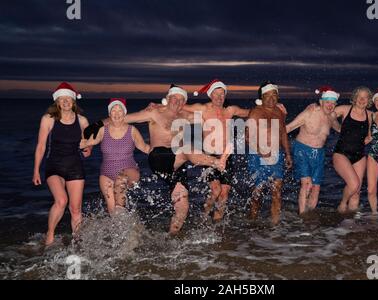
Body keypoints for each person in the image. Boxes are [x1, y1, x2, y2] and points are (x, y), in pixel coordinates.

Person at [84, 85, 231, 235]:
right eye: (175, 98)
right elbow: (120, 118)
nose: (178, 102)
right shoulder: (154, 113)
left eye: (182, 100)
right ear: (168, 99)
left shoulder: (186, 116)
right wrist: (97, 124)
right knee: (187, 148)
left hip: (177, 163)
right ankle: (216, 162)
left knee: (182, 207)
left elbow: (210, 114)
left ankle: (171, 239)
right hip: (159, 157)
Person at [181, 79, 250, 222]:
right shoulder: (203, 108)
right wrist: (157, 106)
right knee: (216, 191)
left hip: (226, 156)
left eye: (222, 94)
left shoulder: (230, 110)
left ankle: (217, 223)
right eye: (216, 94)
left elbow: (250, 112)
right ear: (210, 95)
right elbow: (178, 107)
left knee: (224, 194)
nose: (219, 97)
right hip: (210, 156)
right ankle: (204, 217)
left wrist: (274, 108)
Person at [32, 82, 91, 246]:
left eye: (68, 99)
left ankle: (77, 241)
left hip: (75, 166)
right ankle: (50, 235)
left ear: (73, 101)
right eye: (62, 99)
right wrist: (36, 170)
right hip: (54, 166)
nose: (65, 102)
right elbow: (41, 146)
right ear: (57, 102)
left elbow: (89, 144)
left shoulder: (82, 121)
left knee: (76, 209)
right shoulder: (48, 119)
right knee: (61, 201)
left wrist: (87, 148)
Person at [80, 98, 151, 214]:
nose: (117, 114)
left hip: (129, 172)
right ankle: (122, 229)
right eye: (113, 110)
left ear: (124, 113)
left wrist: (161, 153)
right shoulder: (103, 130)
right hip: (106, 173)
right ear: (109, 114)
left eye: (120, 110)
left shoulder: (132, 130)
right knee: (113, 210)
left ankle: (124, 222)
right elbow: (90, 141)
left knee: (120, 181)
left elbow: (144, 148)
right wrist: (83, 144)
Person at [286, 86, 341, 215]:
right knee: (306, 183)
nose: (330, 105)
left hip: (319, 154)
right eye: (327, 102)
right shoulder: (310, 112)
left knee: (316, 188)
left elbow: (340, 129)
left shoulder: (332, 116)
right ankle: (302, 215)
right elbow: (288, 128)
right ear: (321, 102)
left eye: (333, 103)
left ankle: (309, 215)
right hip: (302, 150)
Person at [246, 81, 292, 225]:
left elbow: (283, 132)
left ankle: (275, 226)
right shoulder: (256, 112)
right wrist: (261, 152)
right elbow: (247, 137)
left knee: (277, 190)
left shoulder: (279, 112)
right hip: (258, 156)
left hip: (277, 155)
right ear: (262, 97)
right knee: (257, 193)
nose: (271, 99)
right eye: (268, 96)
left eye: (274, 95)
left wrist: (288, 154)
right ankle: (252, 221)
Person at [333, 86, 373, 214]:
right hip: (341, 153)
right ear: (354, 98)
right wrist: (337, 127)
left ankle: (351, 227)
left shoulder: (371, 115)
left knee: (356, 193)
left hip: (360, 156)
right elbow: (326, 113)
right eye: (359, 97)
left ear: (369, 100)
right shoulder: (345, 109)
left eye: (365, 97)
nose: (362, 100)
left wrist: (371, 137)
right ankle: (342, 205)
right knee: (354, 184)